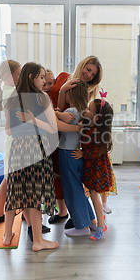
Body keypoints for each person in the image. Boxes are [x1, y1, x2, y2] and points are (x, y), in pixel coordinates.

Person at [3, 62, 83, 251]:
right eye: (40, 77)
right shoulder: (42, 98)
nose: (43, 81)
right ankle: (38, 241)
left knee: (14, 192)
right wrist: (34, 120)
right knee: (33, 195)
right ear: (31, 78)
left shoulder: (13, 99)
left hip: (17, 149)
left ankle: (7, 236)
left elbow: (8, 131)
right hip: (36, 150)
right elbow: (52, 128)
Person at [47, 56, 103, 226]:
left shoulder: (84, 93)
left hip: (63, 129)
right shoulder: (63, 76)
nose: (89, 74)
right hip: (54, 130)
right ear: (82, 65)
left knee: (71, 180)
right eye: (88, 69)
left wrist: (58, 112)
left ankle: (79, 218)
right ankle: (65, 211)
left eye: (92, 74)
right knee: (59, 175)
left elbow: (76, 119)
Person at [58, 81, 98, 236]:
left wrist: (55, 113)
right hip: (76, 153)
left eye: (66, 92)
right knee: (78, 190)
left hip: (67, 153)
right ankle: (91, 222)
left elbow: (55, 124)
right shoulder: (83, 111)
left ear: (70, 94)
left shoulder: (70, 111)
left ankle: (82, 227)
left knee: (72, 191)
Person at [73, 98, 114, 241]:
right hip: (92, 168)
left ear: (97, 117)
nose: (86, 110)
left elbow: (96, 152)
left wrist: (83, 153)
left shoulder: (96, 132)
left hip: (97, 170)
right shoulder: (91, 126)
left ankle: (101, 226)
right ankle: (99, 220)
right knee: (92, 195)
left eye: (89, 109)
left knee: (94, 195)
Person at [0, 60, 21, 225]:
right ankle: (25, 215)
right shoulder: (13, 93)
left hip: (12, 141)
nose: (20, 77)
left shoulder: (7, 91)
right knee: (16, 180)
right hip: (15, 140)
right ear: (7, 76)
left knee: (7, 179)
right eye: (18, 74)